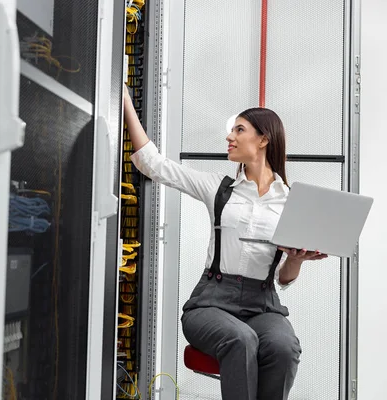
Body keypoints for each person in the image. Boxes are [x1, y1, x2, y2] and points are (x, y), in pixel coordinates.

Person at [123, 84, 328, 400]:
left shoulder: (290, 202)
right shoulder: (219, 188)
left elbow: (283, 280)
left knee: (284, 347)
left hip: (263, 304)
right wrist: (124, 99)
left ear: (263, 139)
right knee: (240, 338)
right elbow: (153, 164)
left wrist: (296, 260)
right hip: (211, 302)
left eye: (239, 130)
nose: (229, 137)